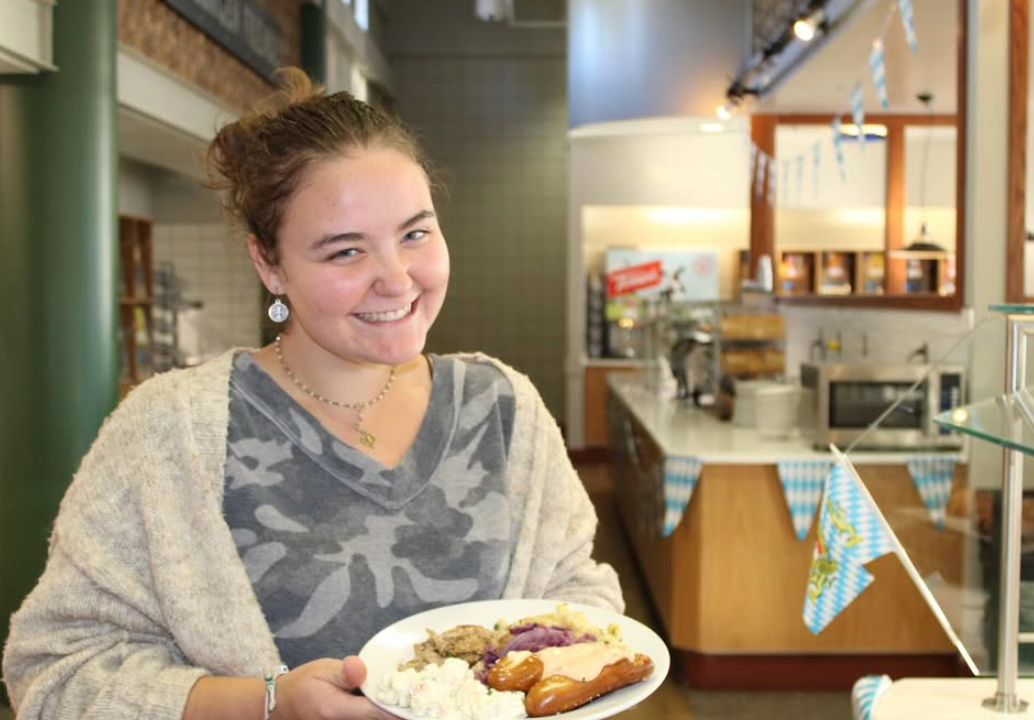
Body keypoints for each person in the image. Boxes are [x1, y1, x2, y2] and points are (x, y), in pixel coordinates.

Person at [2, 68, 623, 720]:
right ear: (269, 265)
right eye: (345, 252)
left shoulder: (503, 409)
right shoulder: (171, 431)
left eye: (415, 233)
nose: (396, 279)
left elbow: (576, 593)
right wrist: (266, 705)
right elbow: (56, 670)